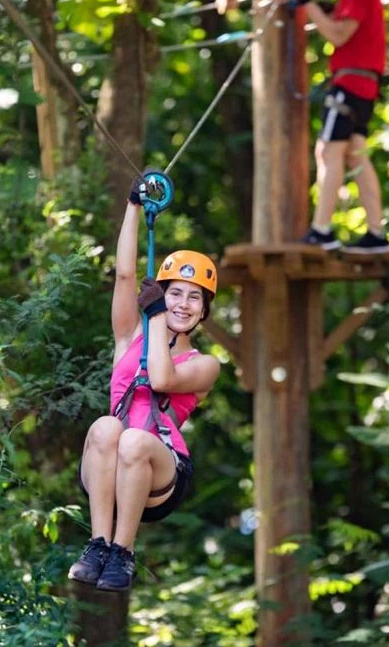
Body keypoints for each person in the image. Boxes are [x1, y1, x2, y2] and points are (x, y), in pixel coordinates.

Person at [67, 173, 221, 592]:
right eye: (174, 294)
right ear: (162, 295)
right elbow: (123, 276)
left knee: (134, 439)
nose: (183, 305)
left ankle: (123, 551)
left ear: (204, 312)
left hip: (160, 471)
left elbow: (162, 377)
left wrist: (153, 318)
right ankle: (98, 543)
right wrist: (134, 207)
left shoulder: (204, 364)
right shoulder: (129, 336)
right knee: (106, 426)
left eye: (195, 298)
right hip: (108, 465)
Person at [284, 0, 389, 253]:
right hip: (365, 85)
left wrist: (309, 4)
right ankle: (376, 233)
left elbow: (338, 35)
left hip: (351, 83)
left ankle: (321, 231)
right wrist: (323, 9)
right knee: (356, 157)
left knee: (328, 152)